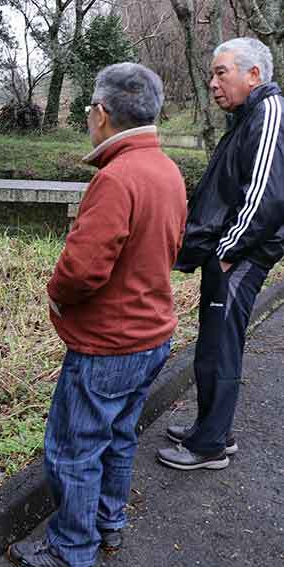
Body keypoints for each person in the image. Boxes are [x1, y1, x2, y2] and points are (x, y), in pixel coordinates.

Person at [8, 63, 187, 567]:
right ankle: (108, 526)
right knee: (119, 438)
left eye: (90, 109)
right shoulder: (166, 170)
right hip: (153, 334)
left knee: (74, 449)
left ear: (102, 114)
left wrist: (57, 296)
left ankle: (71, 550)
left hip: (109, 342)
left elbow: (82, 270)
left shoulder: (118, 177)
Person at [158, 38, 284, 471]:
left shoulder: (268, 113)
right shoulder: (247, 116)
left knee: (222, 346)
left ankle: (210, 445)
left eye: (221, 73)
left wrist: (227, 252)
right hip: (229, 254)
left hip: (240, 256)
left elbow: (266, 196)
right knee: (212, 343)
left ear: (253, 75)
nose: (212, 83)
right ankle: (211, 428)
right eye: (212, 74)